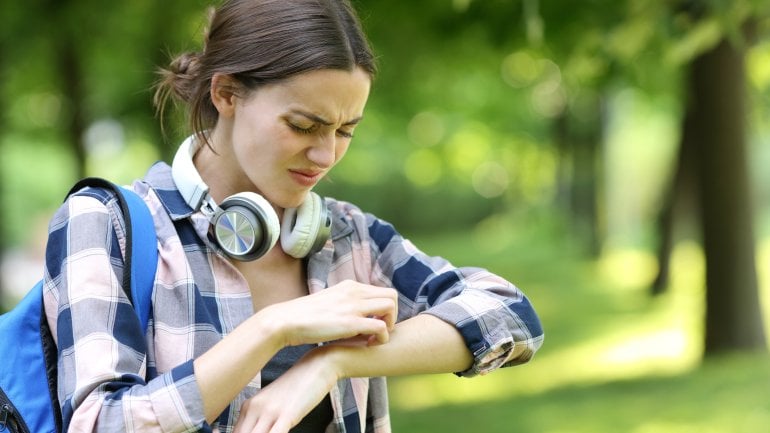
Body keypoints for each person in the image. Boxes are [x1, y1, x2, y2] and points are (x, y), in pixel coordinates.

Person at [42, 0, 544, 432]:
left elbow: (510, 315)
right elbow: (98, 422)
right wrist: (271, 330)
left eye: (345, 130)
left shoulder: (349, 237)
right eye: (304, 125)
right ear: (226, 94)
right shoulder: (105, 223)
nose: (325, 156)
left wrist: (333, 361)